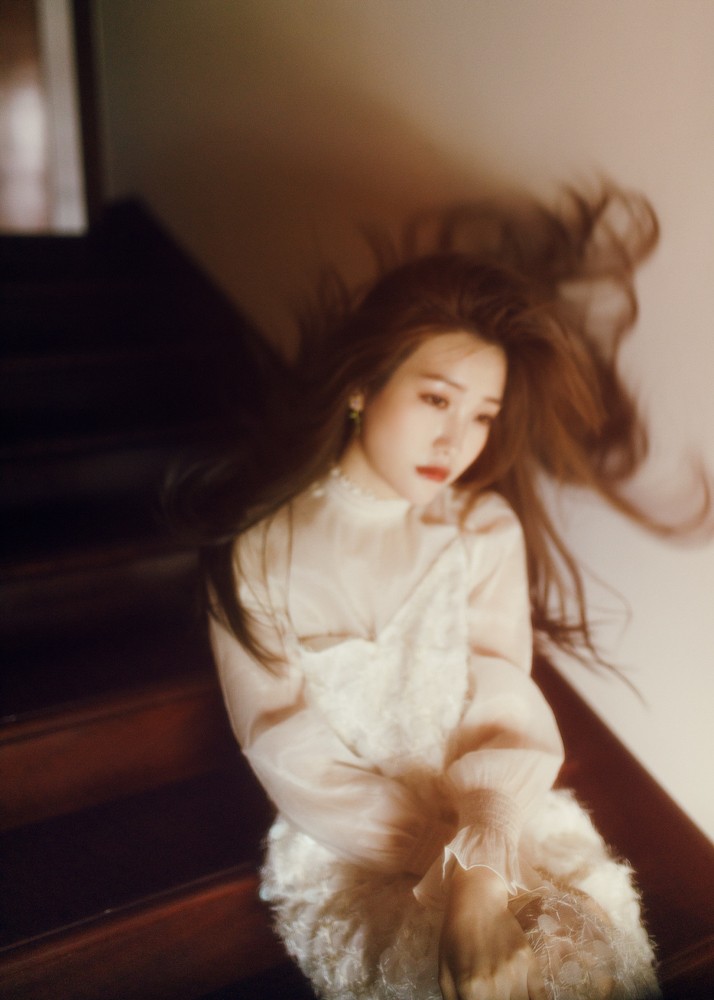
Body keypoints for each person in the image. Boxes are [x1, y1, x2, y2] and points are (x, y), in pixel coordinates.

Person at [173, 185, 669, 999]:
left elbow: (504, 704)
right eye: (436, 399)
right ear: (362, 386)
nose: (457, 440)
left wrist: (480, 864)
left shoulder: (481, 528)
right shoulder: (255, 552)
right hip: (353, 848)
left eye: (482, 415)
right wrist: (444, 866)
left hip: (495, 816)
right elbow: (287, 749)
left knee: (571, 955)